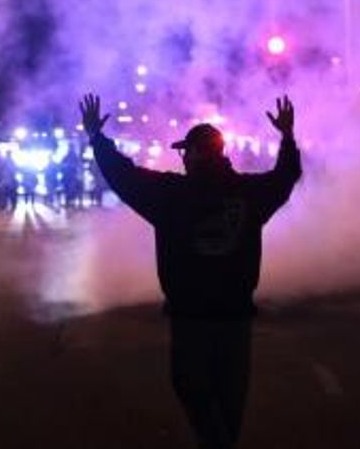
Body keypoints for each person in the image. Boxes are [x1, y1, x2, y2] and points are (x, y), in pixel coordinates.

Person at [79, 93, 301, 448]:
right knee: (231, 396)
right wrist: (287, 137)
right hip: (235, 317)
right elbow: (285, 178)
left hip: (191, 318)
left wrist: (97, 138)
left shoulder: (171, 194)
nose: (182, 158)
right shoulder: (248, 193)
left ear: (197, 153)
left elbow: (124, 177)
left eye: (186, 151)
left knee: (191, 387)